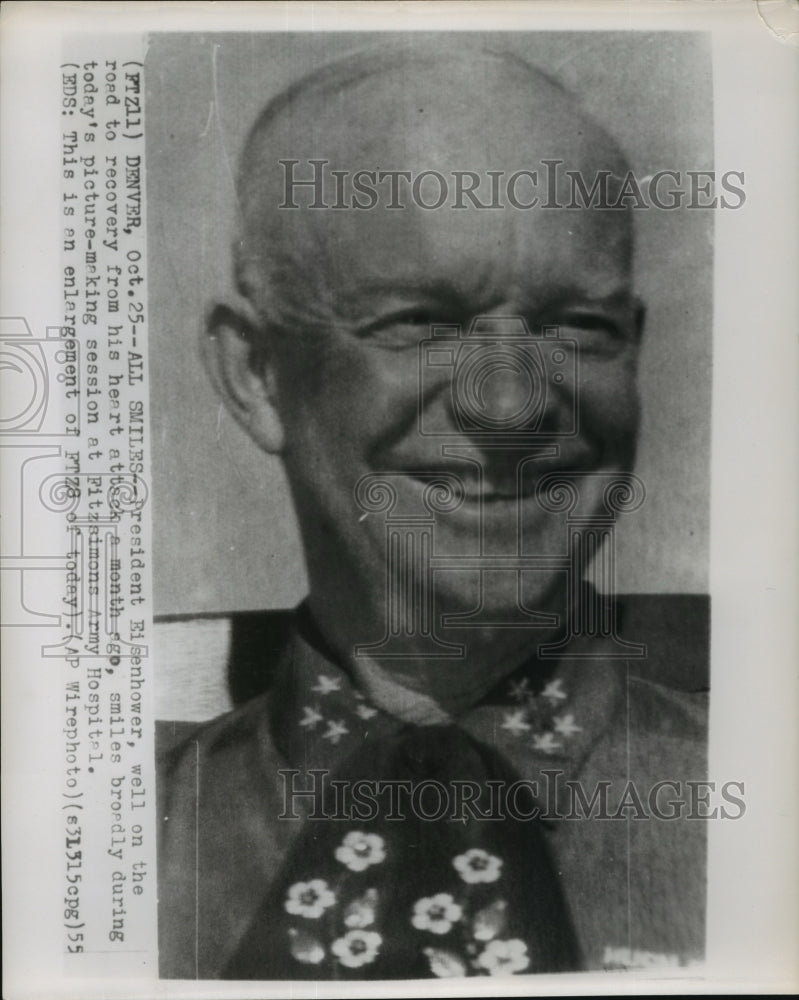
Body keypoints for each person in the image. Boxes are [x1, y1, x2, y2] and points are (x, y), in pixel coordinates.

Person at [156, 39, 709, 980]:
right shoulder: (79, 844)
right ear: (256, 375)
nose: (510, 405)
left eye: (579, 327)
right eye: (419, 322)